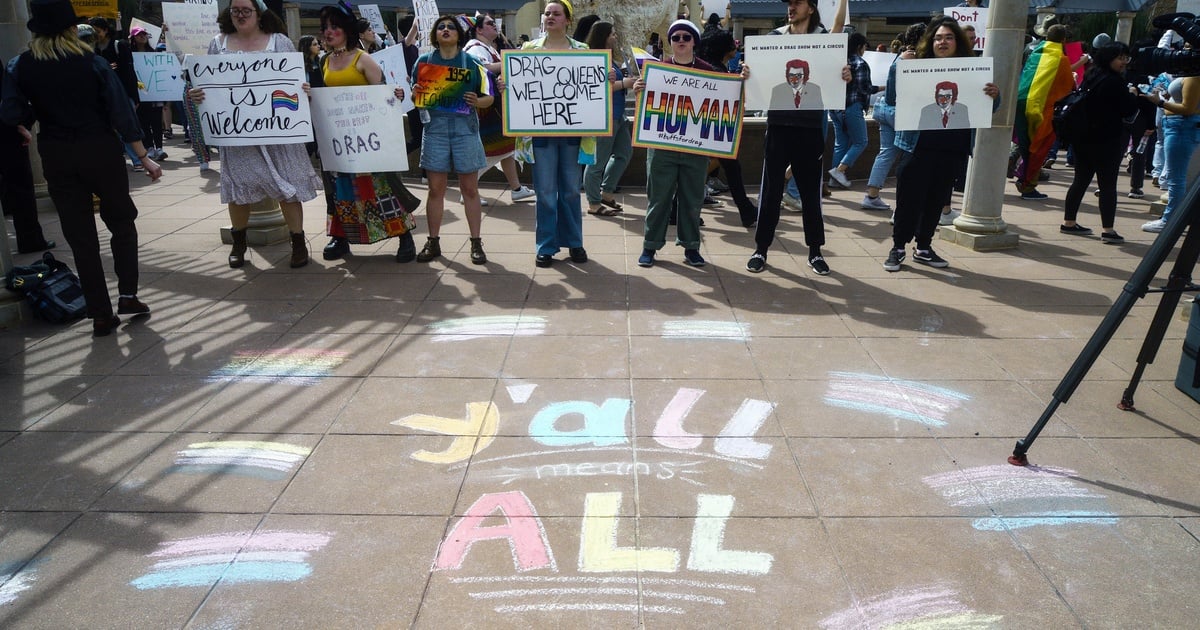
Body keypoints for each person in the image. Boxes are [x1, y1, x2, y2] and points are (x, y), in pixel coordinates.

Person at [1, 0, 162, 336]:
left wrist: (24, 123)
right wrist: (142, 155)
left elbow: (11, 111)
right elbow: (121, 112)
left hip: (57, 153)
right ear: (71, 28)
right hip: (99, 149)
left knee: (80, 236)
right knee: (121, 222)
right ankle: (128, 295)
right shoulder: (92, 62)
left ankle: (100, 312)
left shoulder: (21, 65)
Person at [189, 0, 322, 269]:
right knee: (239, 188)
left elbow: (293, 81)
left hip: (279, 131)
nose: (240, 15)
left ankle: (298, 242)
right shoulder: (218, 43)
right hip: (237, 133)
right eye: (234, 10)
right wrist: (197, 94)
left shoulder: (280, 41)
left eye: (245, 10)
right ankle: (240, 244)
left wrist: (303, 89)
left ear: (259, 14)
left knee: (289, 186)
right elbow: (209, 83)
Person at [883, 16, 1000, 272]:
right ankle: (898, 247)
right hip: (917, 146)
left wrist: (994, 96)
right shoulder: (917, 65)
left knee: (936, 201)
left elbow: (985, 109)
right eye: (937, 37)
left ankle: (923, 247)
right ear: (930, 42)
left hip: (952, 148)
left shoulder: (971, 70)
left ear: (957, 41)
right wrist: (898, 66)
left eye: (948, 37)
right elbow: (892, 98)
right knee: (908, 201)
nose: (942, 42)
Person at [744, 0, 847, 276]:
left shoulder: (823, 40)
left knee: (811, 194)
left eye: (797, 2)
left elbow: (835, 70)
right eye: (788, 3)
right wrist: (748, 74)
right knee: (770, 192)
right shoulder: (774, 38)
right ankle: (761, 249)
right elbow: (760, 80)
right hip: (779, 126)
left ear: (811, 8)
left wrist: (842, 75)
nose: (791, 7)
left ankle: (815, 252)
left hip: (810, 128)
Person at [634, 19, 747, 268]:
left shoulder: (711, 71)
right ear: (670, 42)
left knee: (692, 199)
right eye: (676, 38)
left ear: (694, 41)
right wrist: (639, 89)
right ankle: (650, 246)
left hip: (696, 149)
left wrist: (743, 82)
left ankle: (691, 247)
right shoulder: (658, 71)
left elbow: (730, 100)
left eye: (686, 37)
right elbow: (647, 105)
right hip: (663, 147)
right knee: (658, 199)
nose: (681, 41)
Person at [318, 4, 419, 263]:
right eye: (325, 27)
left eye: (335, 27)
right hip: (342, 141)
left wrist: (393, 95)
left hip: (369, 139)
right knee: (341, 189)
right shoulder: (325, 61)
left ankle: (403, 234)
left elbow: (382, 93)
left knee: (379, 187)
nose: (329, 32)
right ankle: (340, 237)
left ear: (347, 30)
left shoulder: (362, 59)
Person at [411, 14, 493, 264]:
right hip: (435, 129)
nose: (446, 30)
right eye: (441, 27)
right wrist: (416, 94)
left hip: (464, 129)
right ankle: (433, 242)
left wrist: (476, 101)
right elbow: (417, 101)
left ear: (459, 34)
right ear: (435, 34)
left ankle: (476, 243)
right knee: (436, 190)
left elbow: (489, 97)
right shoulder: (423, 62)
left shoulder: (472, 63)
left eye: (450, 27)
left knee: (470, 188)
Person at [521, 1, 591, 268]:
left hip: (574, 133)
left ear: (567, 20)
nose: (550, 16)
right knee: (546, 192)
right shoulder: (529, 50)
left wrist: (606, 76)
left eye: (556, 13)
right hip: (541, 133)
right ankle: (546, 246)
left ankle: (575, 243)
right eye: (547, 13)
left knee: (572, 190)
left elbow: (592, 86)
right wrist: (505, 83)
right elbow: (520, 87)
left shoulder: (582, 51)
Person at [1057, 43, 1138, 243]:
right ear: (1109, 58)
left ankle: (1069, 222)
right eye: (1120, 57)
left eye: (1125, 58)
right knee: (1108, 184)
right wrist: (1133, 96)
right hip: (1106, 139)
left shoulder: (1092, 75)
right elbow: (1127, 110)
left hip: (1083, 137)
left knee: (1081, 180)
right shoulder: (1114, 82)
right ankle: (1108, 230)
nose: (1123, 62)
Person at [462, 13, 537, 204]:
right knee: (489, 151)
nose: (494, 26)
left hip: (494, 106)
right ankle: (468, 191)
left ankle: (516, 188)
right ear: (478, 29)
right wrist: (511, 62)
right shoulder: (474, 48)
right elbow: (481, 67)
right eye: (489, 24)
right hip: (485, 108)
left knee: (507, 149)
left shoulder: (488, 47)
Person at [697, 21, 758, 225]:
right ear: (725, 49)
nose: (736, 47)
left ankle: (746, 209)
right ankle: (746, 210)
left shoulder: (714, 68)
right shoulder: (718, 71)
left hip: (711, 130)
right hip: (714, 130)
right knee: (727, 169)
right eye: (732, 44)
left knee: (723, 169)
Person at [861, 22, 924, 213]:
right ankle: (906, 206)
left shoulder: (901, 54)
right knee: (912, 156)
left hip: (885, 110)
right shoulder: (915, 58)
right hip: (901, 111)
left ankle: (871, 196)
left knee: (886, 152)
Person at [1013, 24, 1075, 200]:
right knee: (1038, 150)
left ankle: (1022, 177)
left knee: (1024, 145)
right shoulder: (1061, 59)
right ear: (1063, 40)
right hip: (1041, 110)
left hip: (1021, 104)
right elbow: (1068, 87)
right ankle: (1027, 187)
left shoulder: (1034, 53)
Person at [1, 56, 55, 254]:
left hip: (7, 128)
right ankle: (30, 239)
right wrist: (19, 124)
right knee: (20, 186)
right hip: (6, 131)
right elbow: (8, 98)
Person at [582, 20, 633, 218]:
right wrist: (624, 82)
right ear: (603, 36)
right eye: (612, 33)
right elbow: (596, 88)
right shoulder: (593, 57)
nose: (615, 37)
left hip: (618, 115)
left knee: (624, 153)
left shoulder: (608, 58)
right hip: (605, 116)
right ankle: (594, 203)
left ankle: (607, 192)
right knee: (597, 162)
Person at [1141, 74, 1200, 233]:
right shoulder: (1190, 75)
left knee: (1177, 178)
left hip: (1181, 127)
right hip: (1180, 127)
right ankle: (1173, 219)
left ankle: (1169, 220)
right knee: (1179, 177)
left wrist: (1160, 102)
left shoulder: (1194, 77)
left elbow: (1188, 108)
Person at [88, 16, 143, 172]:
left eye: (97, 31)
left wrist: (134, 96)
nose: (95, 35)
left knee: (125, 125)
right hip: (104, 95)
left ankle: (137, 159)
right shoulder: (93, 49)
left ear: (106, 30)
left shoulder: (120, 46)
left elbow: (130, 72)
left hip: (123, 94)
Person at [827, 32, 874, 190]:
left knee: (840, 143)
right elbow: (865, 88)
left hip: (835, 109)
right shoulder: (860, 63)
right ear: (860, 46)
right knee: (861, 141)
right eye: (865, 47)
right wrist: (882, 87)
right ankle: (839, 171)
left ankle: (834, 180)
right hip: (852, 107)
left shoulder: (839, 61)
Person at [129, 26, 167, 161]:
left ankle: (159, 148)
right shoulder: (129, 55)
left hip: (154, 94)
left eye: (144, 34)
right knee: (143, 121)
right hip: (139, 94)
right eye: (139, 35)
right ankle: (149, 147)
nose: (142, 37)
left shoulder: (154, 53)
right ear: (133, 38)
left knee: (156, 121)